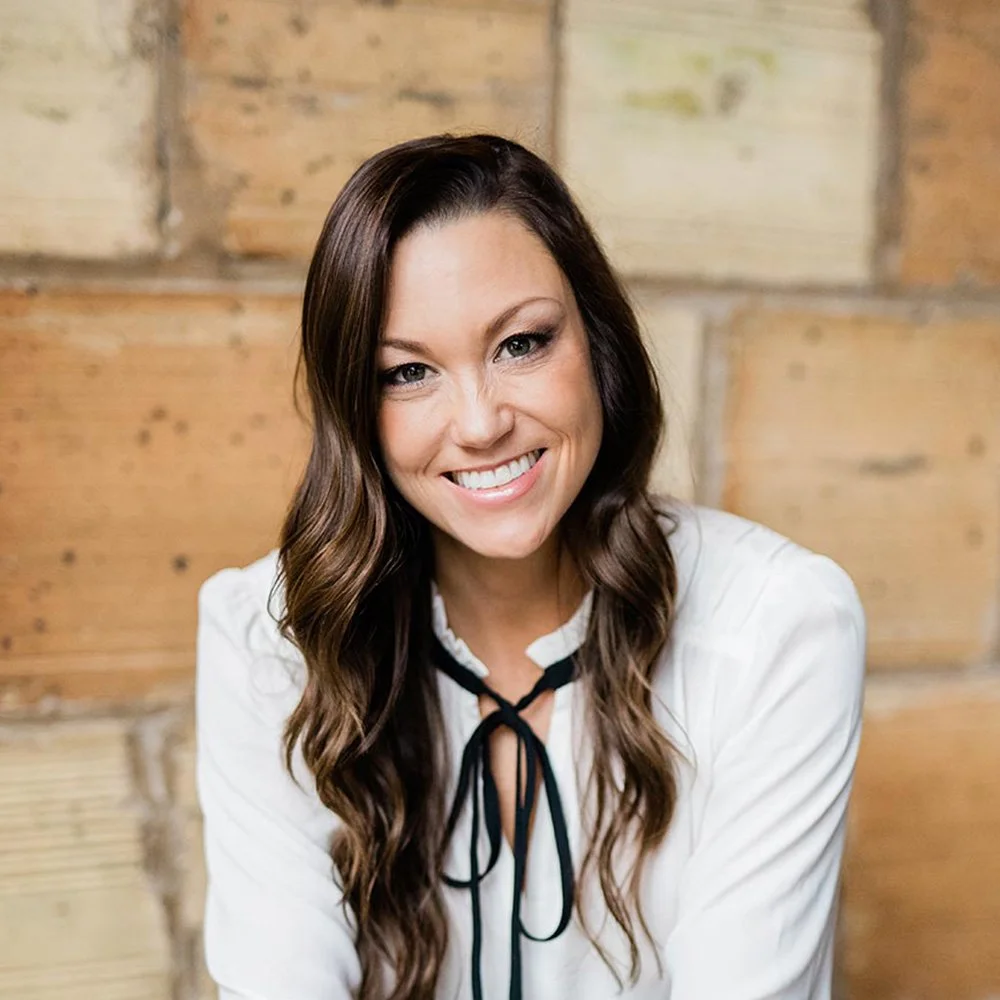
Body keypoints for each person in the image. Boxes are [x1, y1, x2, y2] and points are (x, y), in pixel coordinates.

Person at [195, 133, 867, 1000]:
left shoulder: (780, 626)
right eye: (407, 373)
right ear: (356, 411)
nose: (478, 424)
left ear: (597, 341)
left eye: (521, 344)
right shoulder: (269, 637)